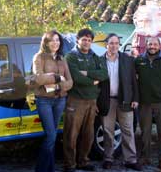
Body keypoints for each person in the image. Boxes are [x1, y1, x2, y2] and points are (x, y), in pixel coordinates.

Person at [63, 28, 108, 172]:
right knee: (71, 135)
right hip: (75, 101)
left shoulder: (95, 56)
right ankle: (70, 164)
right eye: (84, 39)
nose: (87, 42)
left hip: (91, 101)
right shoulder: (71, 57)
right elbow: (76, 78)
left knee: (88, 135)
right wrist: (93, 81)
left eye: (89, 40)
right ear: (78, 40)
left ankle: (83, 161)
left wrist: (88, 73)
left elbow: (104, 74)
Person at [98, 33, 142, 171]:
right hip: (107, 101)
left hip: (125, 100)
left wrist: (135, 98)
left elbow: (134, 81)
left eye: (116, 43)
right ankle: (108, 158)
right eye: (111, 43)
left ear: (119, 45)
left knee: (127, 130)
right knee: (108, 131)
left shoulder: (127, 59)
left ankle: (131, 160)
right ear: (106, 44)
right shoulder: (99, 60)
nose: (114, 46)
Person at [32, 30, 73, 172]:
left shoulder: (62, 58)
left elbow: (70, 82)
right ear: (46, 42)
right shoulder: (39, 57)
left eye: (57, 40)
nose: (56, 43)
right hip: (44, 101)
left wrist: (58, 84)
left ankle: (50, 169)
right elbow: (38, 79)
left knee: (53, 136)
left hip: (60, 100)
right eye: (52, 40)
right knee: (50, 135)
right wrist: (57, 77)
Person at [135, 37, 161, 171]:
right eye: (150, 44)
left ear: (159, 46)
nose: (152, 46)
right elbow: (134, 79)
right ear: (146, 45)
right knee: (145, 132)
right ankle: (145, 157)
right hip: (144, 102)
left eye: (155, 44)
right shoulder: (139, 61)